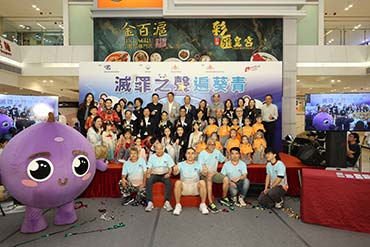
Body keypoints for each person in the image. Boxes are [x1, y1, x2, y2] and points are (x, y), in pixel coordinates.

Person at [198, 140, 232, 213]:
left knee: (226, 179)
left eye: (214, 145)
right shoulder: (202, 154)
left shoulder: (217, 152)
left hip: (214, 173)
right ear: (207, 145)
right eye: (210, 144)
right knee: (209, 178)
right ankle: (210, 203)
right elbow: (203, 169)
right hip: (204, 174)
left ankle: (224, 197)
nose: (212, 146)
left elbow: (225, 160)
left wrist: (229, 156)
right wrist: (210, 173)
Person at [172, 148, 209, 215]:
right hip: (184, 187)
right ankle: (178, 205)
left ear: (195, 155)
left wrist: (205, 171)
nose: (190, 155)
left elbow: (204, 174)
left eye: (192, 153)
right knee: (177, 182)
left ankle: (203, 205)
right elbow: (175, 173)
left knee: (202, 182)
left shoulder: (199, 164)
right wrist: (174, 170)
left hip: (195, 187)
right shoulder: (180, 164)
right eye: (188, 153)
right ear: (185, 155)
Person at [145, 143, 175, 212]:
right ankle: (150, 202)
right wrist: (148, 173)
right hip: (154, 174)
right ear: (155, 149)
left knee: (168, 181)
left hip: (164, 174)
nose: (159, 150)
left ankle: (167, 202)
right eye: (157, 149)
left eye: (161, 149)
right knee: (149, 180)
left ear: (163, 149)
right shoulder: (152, 157)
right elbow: (149, 168)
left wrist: (169, 173)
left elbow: (170, 168)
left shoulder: (167, 156)